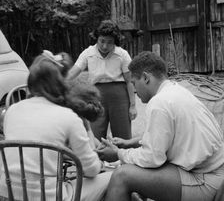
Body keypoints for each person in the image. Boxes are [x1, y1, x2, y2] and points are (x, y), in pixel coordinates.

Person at [96, 51, 224, 201]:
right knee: (135, 169)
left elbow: (152, 158)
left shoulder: (159, 103)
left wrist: (118, 154)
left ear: (145, 78)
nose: (135, 90)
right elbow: (166, 136)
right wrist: (130, 143)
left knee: (121, 176)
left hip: (206, 179)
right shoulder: (175, 90)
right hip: (214, 172)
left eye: (134, 83)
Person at [0, 53, 112, 201]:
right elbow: (91, 170)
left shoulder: (11, 111)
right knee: (115, 177)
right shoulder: (68, 117)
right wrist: (89, 133)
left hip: (8, 194)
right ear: (62, 83)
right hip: (50, 197)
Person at [67, 20, 137, 140]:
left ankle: (124, 158)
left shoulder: (122, 54)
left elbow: (129, 81)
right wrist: (58, 83)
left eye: (110, 42)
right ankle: (96, 159)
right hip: (96, 96)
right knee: (95, 134)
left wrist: (133, 106)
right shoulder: (88, 53)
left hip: (119, 97)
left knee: (123, 136)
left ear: (115, 41)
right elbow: (73, 72)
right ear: (97, 38)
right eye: (102, 41)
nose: (105, 46)